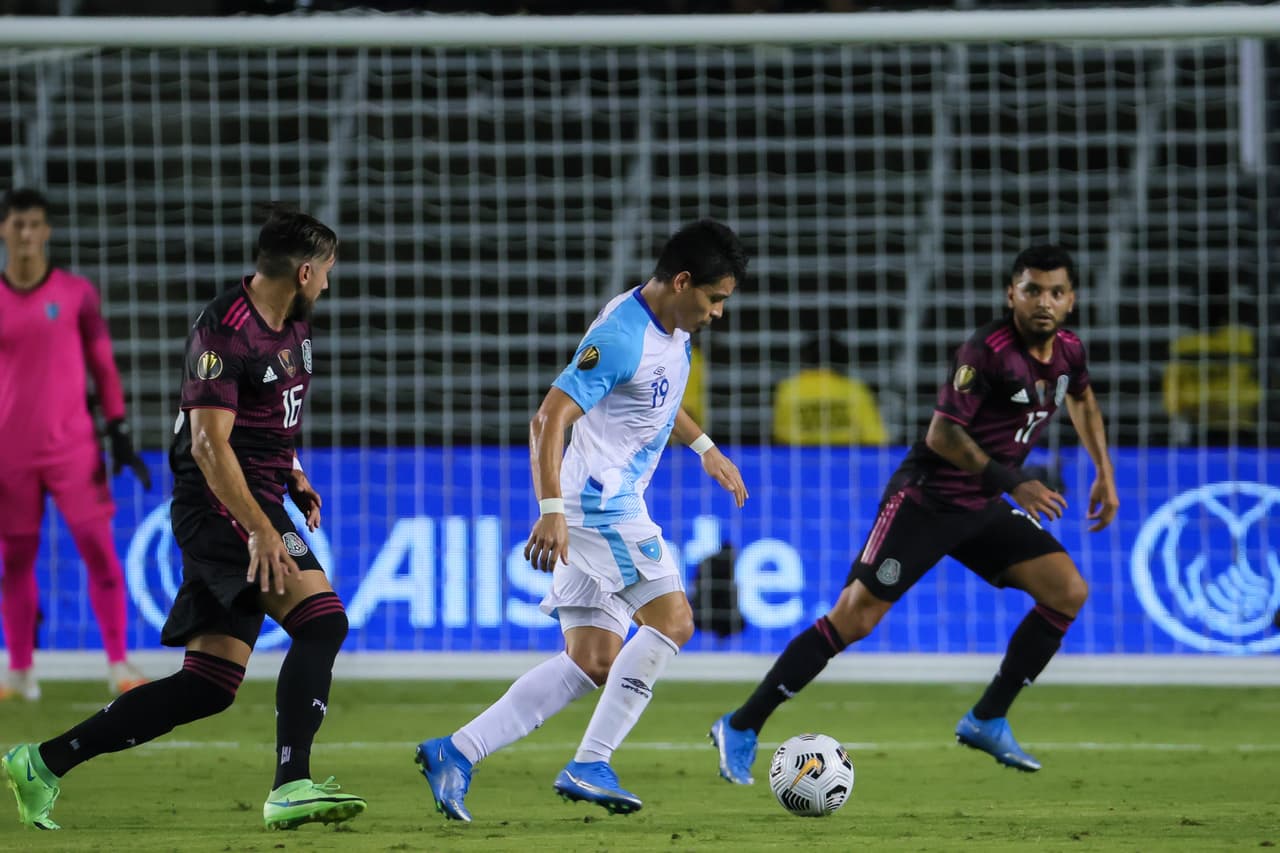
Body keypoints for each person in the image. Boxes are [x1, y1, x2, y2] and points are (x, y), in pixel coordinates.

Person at [2, 205, 366, 832]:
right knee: (322, 622)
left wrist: (295, 474)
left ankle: (42, 762)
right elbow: (207, 445)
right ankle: (291, 783)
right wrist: (259, 527)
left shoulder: (293, 327)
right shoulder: (225, 330)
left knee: (209, 684)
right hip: (220, 503)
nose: (329, 283)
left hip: (256, 496)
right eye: (327, 271)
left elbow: (270, 417)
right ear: (305, 271)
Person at [710, 244, 1119, 782]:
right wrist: (1012, 481)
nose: (1044, 301)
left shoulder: (1069, 350)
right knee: (853, 619)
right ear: (1011, 294)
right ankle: (741, 724)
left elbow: (1082, 400)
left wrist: (1105, 474)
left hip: (982, 505)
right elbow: (942, 433)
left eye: (1056, 292)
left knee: (1067, 590)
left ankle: (988, 718)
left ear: (1072, 300)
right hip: (927, 500)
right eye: (1032, 290)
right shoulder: (986, 351)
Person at [416, 219, 750, 822]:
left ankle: (456, 751)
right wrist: (551, 511)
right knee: (673, 622)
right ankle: (591, 762)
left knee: (592, 660)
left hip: (608, 496)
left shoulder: (669, 324)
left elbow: (659, 394)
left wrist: (707, 451)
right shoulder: (623, 335)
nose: (718, 313)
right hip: (600, 501)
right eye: (715, 299)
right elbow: (549, 418)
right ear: (681, 282)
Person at [0, 188, 152, 702]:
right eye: (17, 224)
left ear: (47, 231)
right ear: (4, 230)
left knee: (100, 552)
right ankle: (19, 671)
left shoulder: (75, 293)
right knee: (16, 560)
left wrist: (119, 430)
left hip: (73, 448)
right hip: (10, 453)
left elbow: (103, 365)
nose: (26, 234)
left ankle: (118, 664)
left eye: (34, 224)